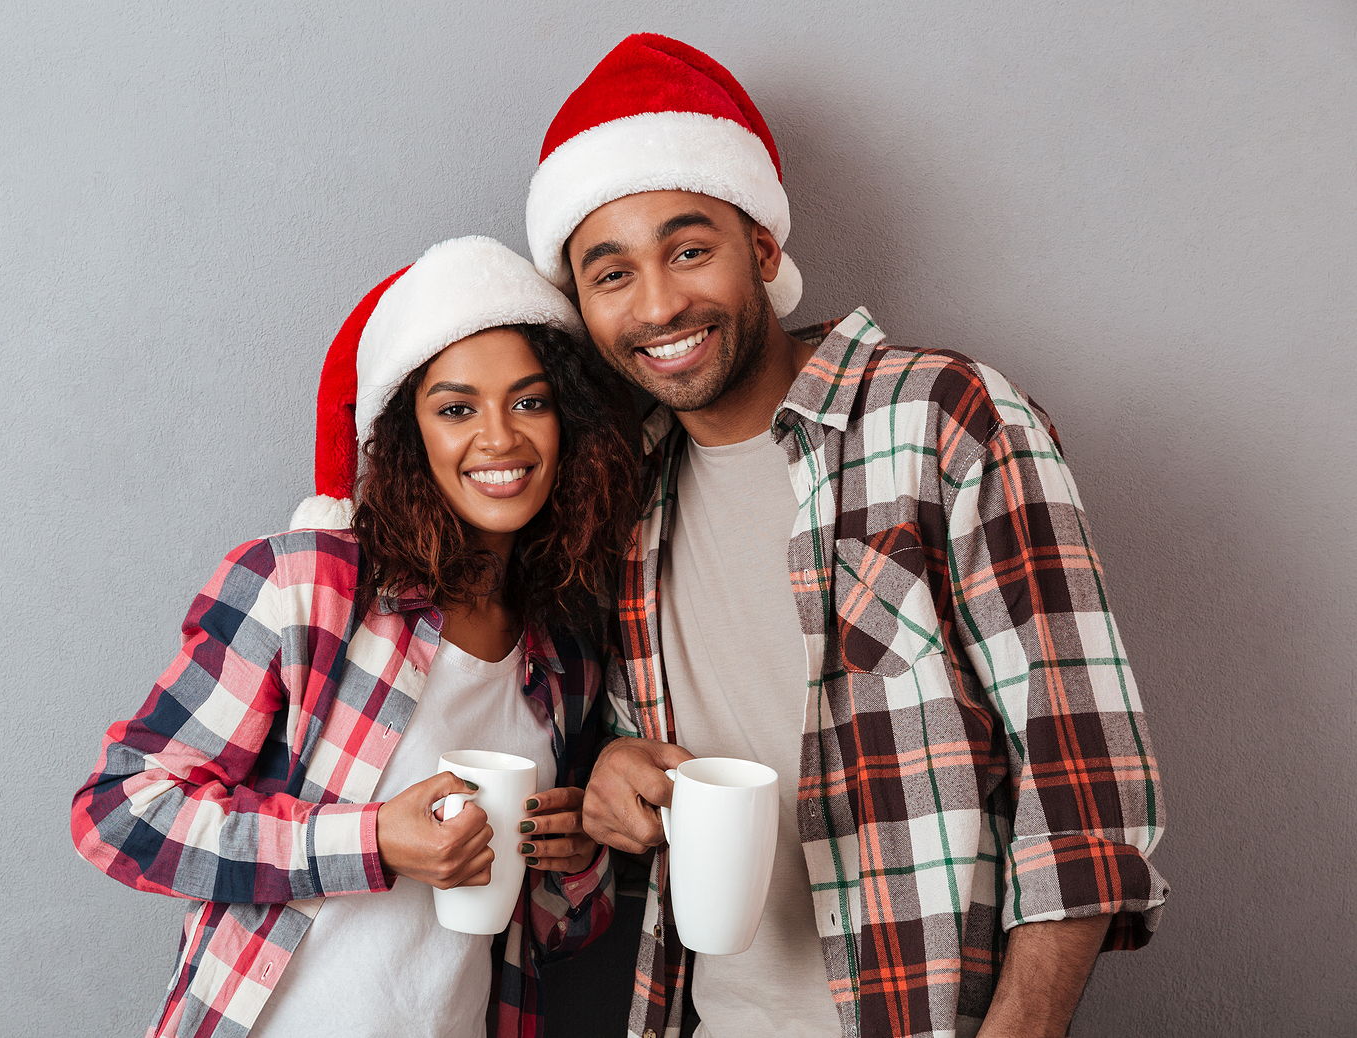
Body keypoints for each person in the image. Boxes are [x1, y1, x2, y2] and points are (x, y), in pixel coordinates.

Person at [521, 35, 1169, 1038]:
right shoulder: (624, 501)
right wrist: (610, 776)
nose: (657, 305)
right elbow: (642, 750)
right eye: (612, 275)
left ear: (764, 253)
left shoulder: (944, 417)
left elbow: (1082, 772)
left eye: (689, 249)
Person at [70, 236, 642, 1038]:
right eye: (455, 408)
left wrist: (572, 857)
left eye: (529, 401)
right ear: (408, 435)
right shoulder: (303, 586)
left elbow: (552, 933)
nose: (499, 439)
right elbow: (121, 814)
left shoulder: (566, 653)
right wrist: (371, 841)